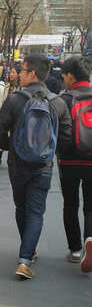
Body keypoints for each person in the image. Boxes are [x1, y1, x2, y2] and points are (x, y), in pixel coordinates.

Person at [0, 54, 72, 279]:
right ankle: (25, 259)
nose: (19, 73)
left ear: (32, 73)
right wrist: (48, 151)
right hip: (43, 165)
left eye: (23, 70)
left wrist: (11, 148)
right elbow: (65, 137)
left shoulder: (15, 99)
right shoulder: (57, 101)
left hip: (17, 164)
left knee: (22, 207)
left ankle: (29, 250)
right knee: (36, 211)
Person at [57, 56, 92, 268]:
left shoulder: (65, 99)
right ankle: (90, 240)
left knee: (70, 204)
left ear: (70, 76)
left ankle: (76, 250)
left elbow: (60, 132)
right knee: (91, 206)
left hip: (69, 161)